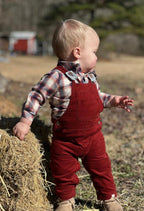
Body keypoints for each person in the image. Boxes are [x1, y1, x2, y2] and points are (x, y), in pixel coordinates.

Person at [13, 19, 134, 211]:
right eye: (94, 52)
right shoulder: (56, 77)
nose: (96, 56)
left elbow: (98, 97)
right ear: (77, 53)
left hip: (94, 137)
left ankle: (108, 198)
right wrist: (25, 122)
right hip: (66, 141)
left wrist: (115, 100)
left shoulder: (90, 77)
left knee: (102, 169)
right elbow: (36, 96)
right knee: (63, 172)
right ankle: (66, 201)